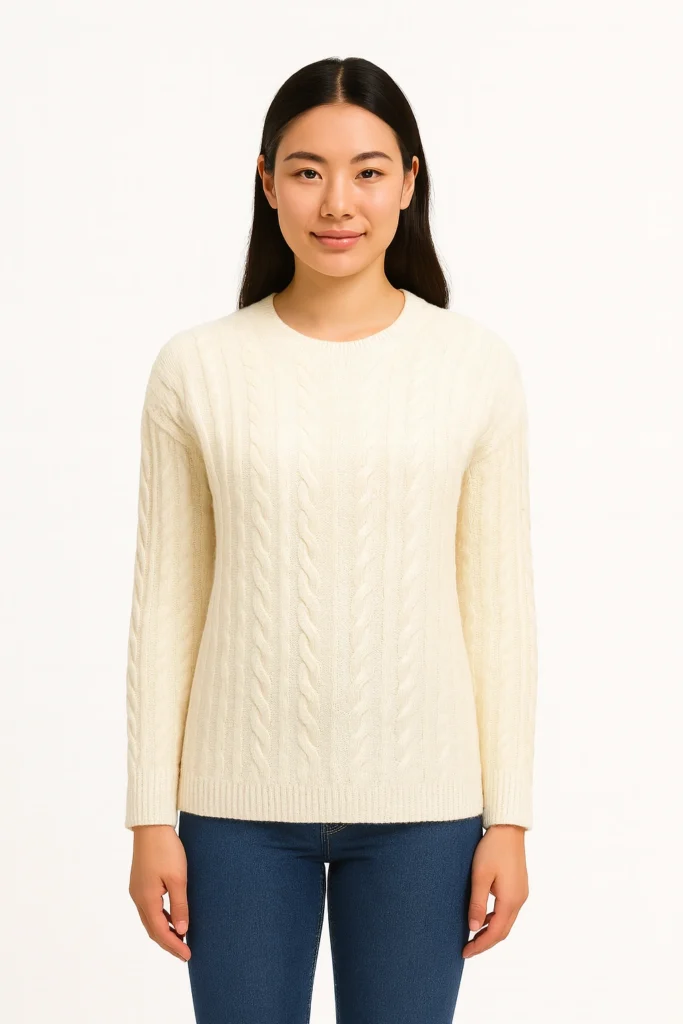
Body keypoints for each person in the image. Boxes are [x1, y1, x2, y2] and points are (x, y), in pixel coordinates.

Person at [124, 55, 538, 1024]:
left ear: (409, 181)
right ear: (267, 182)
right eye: (307, 171)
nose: (337, 201)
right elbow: (166, 605)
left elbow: (499, 612)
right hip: (232, 812)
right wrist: (148, 817)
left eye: (367, 170)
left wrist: (509, 819)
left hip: (426, 809)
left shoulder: (472, 366)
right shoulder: (197, 368)